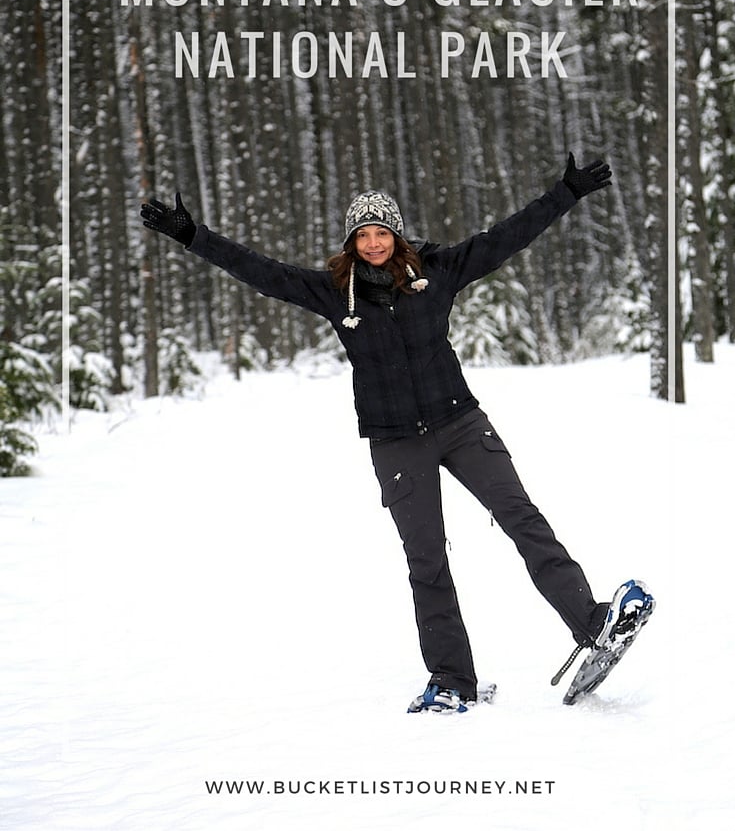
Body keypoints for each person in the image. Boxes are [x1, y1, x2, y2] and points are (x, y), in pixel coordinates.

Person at [141, 152, 649, 714]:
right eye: (363, 235)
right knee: (427, 561)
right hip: (396, 443)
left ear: (397, 235)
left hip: (461, 423)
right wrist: (193, 236)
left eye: (381, 232)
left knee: (521, 519)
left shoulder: (437, 273)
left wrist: (566, 193)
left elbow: (506, 238)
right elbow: (262, 272)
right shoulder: (334, 292)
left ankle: (593, 622)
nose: (373, 243)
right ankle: (452, 680)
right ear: (351, 242)